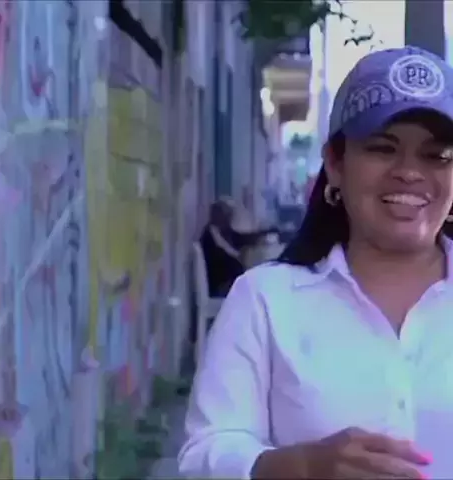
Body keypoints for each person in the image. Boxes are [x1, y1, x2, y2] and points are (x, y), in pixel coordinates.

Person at [178, 46, 453, 479]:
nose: (409, 172)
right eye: (383, 148)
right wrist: (301, 465)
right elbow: (203, 455)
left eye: (437, 155)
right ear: (336, 164)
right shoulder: (266, 300)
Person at [200, 197, 276, 297]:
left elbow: (240, 238)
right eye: (228, 215)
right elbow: (224, 258)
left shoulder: (222, 232)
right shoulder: (210, 236)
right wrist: (240, 257)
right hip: (221, 286)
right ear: (218, 216)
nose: (230, 219)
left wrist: (261, 234)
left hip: (230, 282)